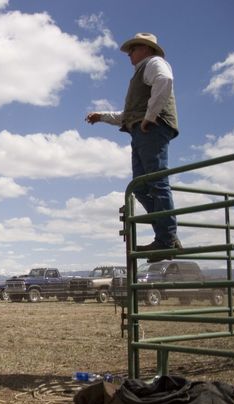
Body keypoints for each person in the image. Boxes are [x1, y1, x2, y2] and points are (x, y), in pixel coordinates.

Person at [86, 32, 181, 261]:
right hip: (141, 131)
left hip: (152, 129)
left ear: (146, 49)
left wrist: (150, 117)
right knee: (139, 187)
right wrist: (102, 117)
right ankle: (164, 233)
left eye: (133, 48)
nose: (129, 54)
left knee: (157, 181)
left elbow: (165, 80)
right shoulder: (141, 71)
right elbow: (128, 115)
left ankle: (166, 237)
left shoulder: (154, 63)